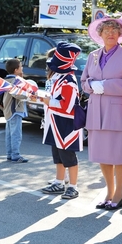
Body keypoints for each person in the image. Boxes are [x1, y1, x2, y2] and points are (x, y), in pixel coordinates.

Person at [81, 11, 122, 210]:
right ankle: (108, 191)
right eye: (107, 30)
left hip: (117, 114)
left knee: (118, 156)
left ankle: (119, 194)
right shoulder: (93, 55)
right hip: (97, 113)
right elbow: (84, 82)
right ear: (101, 33)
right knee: (102, 155)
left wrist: (106, 85)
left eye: (115, 30)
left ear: (120, 33)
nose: (111, 33)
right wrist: (91, 85)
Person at [40, 42, 83, 200]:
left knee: (68, 156)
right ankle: (59, 182)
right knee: (57, 154)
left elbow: (67, 107)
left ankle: (73, 186)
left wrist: (47, 101)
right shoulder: (59, 78)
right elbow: (51, 98)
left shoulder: (69, 81)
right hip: (54, 122)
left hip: (66, 125)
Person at [3, 58, 29, 163]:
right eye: (21, 66)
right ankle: (16, 155)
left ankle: (10, 153)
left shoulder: (7, 79)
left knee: (9, 134)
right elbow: (17, 94)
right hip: (15, 110)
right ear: (16, 70)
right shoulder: (15, 81)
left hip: (8, 110)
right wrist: (28, 95)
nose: (22, 68)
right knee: (16, 134)